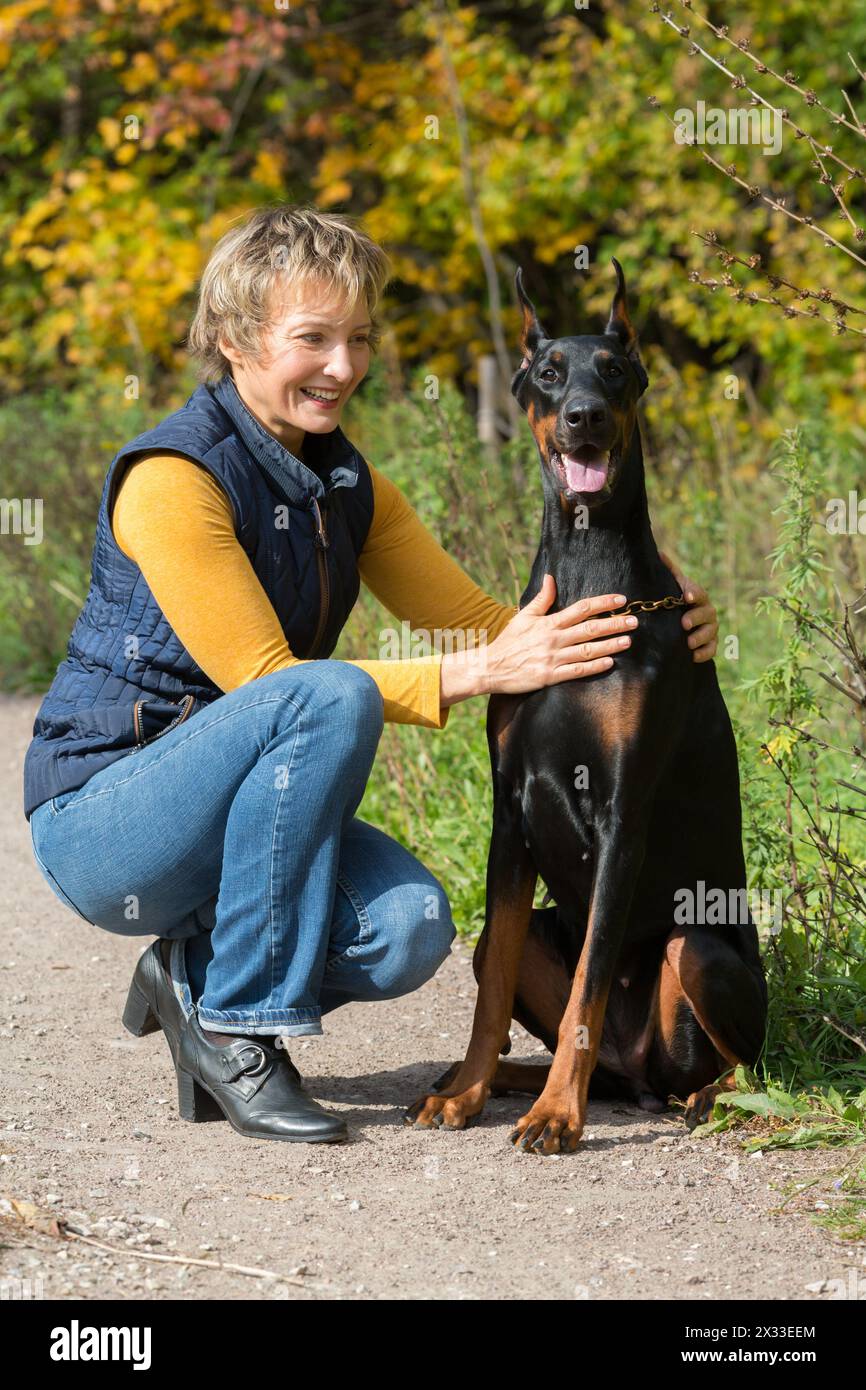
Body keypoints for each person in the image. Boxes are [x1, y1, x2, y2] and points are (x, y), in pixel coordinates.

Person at [23, 204, 719, 1145]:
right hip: (108, 820)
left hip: (226, 819)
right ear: (232, 340)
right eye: (312, 339)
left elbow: (485, 624)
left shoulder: (347, 483)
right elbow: (269, 681)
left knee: (408, 929)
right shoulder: (173, 479)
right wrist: (470, 676)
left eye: (358, 339)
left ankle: (189, 980)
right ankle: (240, 1025)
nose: (343, 367)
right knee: (327, 689)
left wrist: (651, 611)